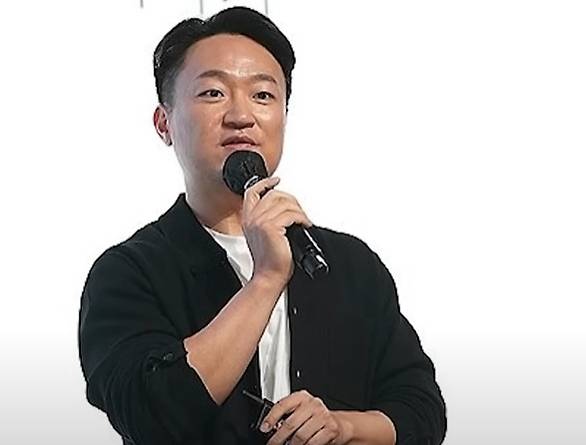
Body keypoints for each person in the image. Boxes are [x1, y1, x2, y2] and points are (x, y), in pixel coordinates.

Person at [78, 6, 447, 445]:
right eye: (213, 93)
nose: (241, 115)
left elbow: (421, 412)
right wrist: (266, 280)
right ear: (164, 124)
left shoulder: (348, 265)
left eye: (263, 95)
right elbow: (150, 415)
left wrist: (343, 426)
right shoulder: (128, 273)